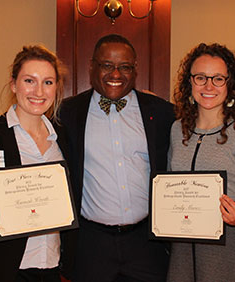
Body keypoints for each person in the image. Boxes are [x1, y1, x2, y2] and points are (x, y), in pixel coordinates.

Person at [59, 34, 175, 282]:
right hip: (91, 244)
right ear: (92, 67)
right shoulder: (67, 113)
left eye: (125, 67)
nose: (116, 74)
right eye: (107, 65)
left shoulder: (162, 112)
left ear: (135, 70)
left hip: (146, 242)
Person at [167, 43, 235, 282]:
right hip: (181, 252)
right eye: (201, 77)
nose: (209, 86)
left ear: (230, 85)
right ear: (190, 82)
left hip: (227, 252)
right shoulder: (177, 130)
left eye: (218, 78)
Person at [0, 45, 71, 281]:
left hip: (52, 269)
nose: (39, 91)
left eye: (48, 82)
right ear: (14, 84)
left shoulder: (65, 139)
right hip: (2, 270)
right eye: (29, 80)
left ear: (56, 88)